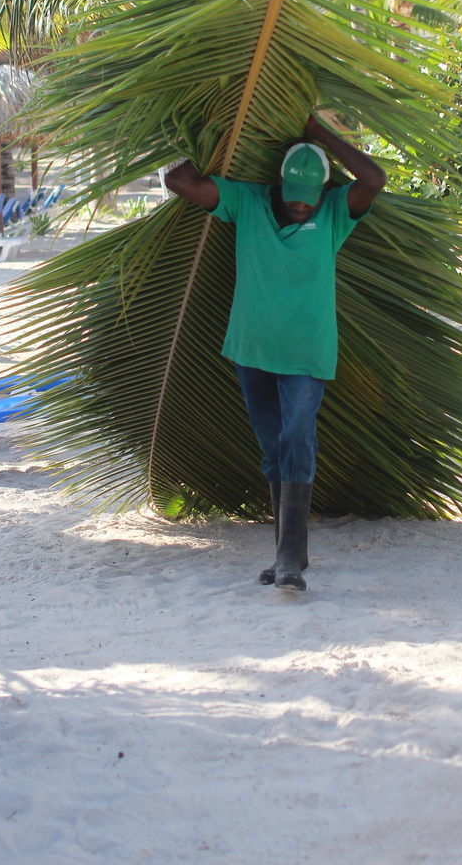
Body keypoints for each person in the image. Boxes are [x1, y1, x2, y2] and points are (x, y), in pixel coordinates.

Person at [164, 114, 386, 591]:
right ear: (279, 187)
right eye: (293, 202)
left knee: (298, 439)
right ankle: (291, 555)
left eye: (309, 203)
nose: (301, 210)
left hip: (307, 353)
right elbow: (178, 180)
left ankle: (288, 557)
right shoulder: (246, 202)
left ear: (323, 192)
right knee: (272, 451)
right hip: (252, 348)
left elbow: (374, 178)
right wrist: (226, 134)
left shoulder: (333, 213)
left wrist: (319, 134)